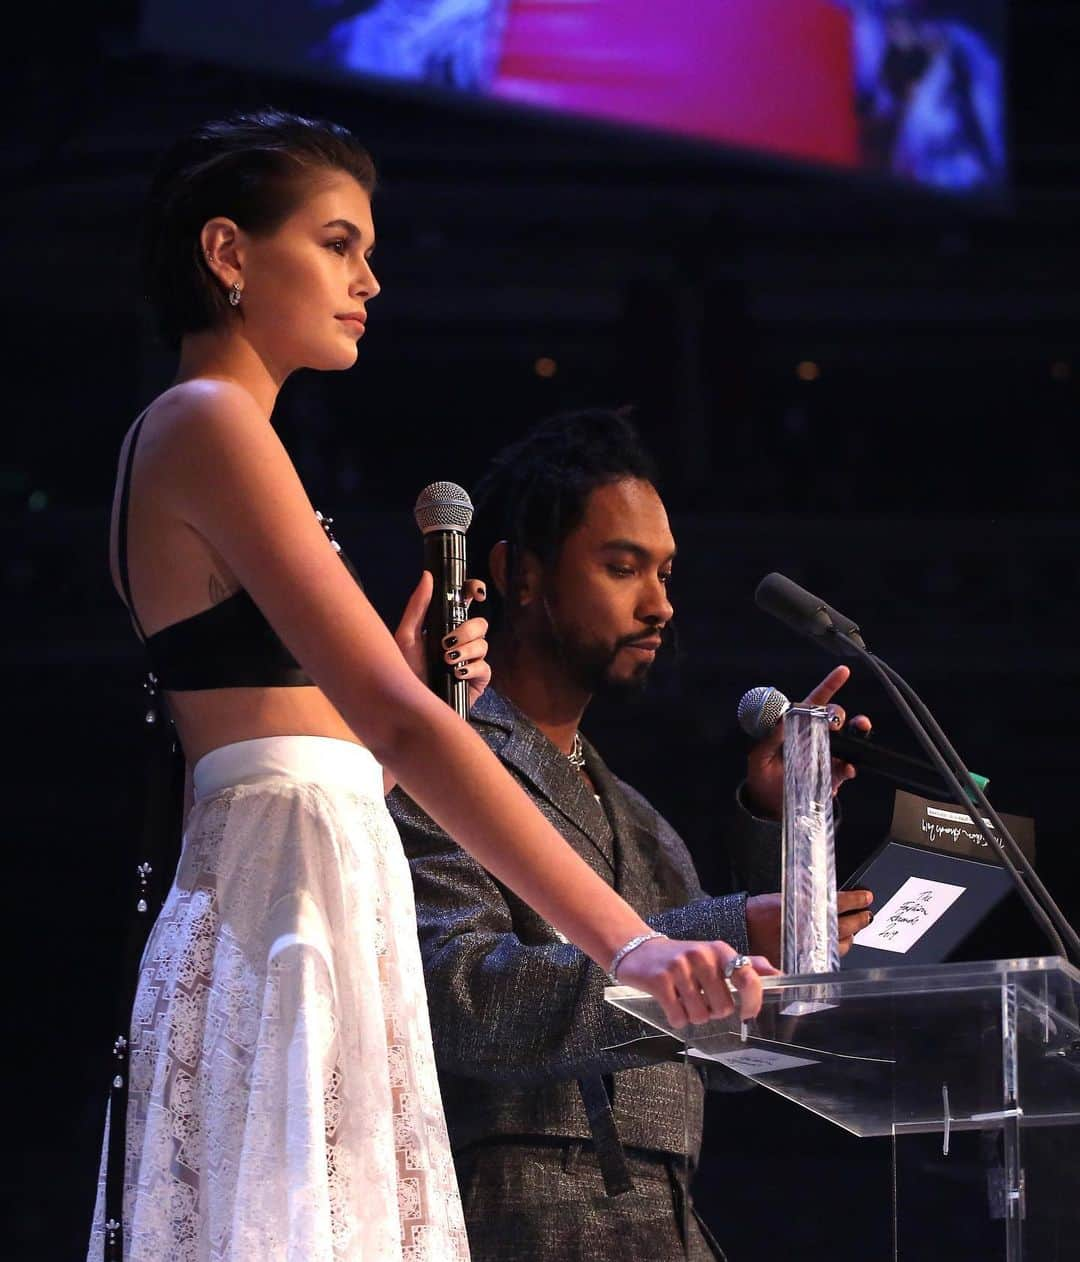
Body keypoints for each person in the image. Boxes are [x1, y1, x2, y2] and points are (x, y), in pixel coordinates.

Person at [87, 110, 773, 1261]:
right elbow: (403, 729)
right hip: (283, 901)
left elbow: (313, 707)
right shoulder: (210, 419)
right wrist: (630, 946)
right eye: (339, 242)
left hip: (303, 884)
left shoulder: (218, 431)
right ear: (228, 253)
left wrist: (381, 692)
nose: (370, 277)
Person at [389, 408, 874, 1261]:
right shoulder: (441, 762)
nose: (661, 605)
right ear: (520, 574)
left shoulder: (643, 824)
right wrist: (728, 927)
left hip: (670, 1220)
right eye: (622, 568)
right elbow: (463, 1001)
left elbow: (742, 1055)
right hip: (523, 1215)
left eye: (666, 572)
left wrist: (783, 832)